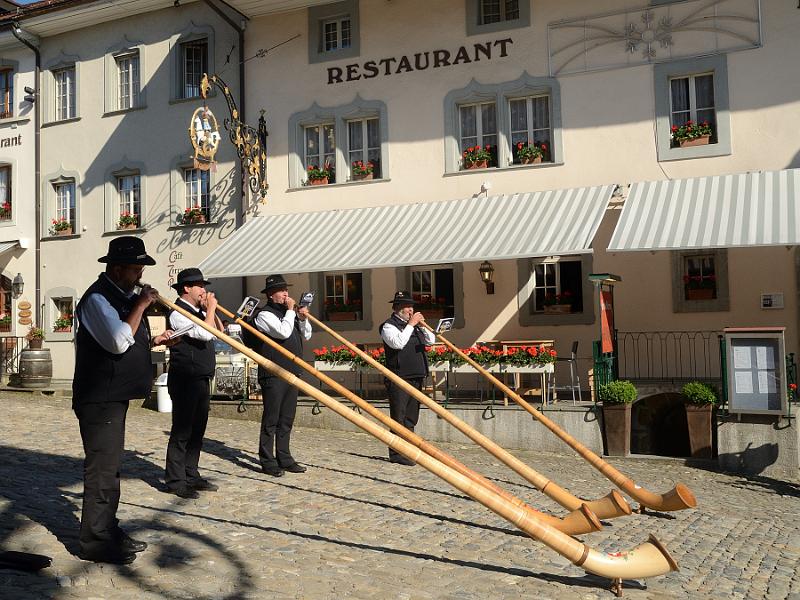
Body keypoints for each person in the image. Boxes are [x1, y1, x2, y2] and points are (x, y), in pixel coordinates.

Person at [72, 236, 173, 565]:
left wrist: (151, 337)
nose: (139, 275)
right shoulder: (97, 299)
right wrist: (142, 306)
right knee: (101, 470)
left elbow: (128, 336)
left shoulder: (120, 296)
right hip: (98, 396)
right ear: (115, 269)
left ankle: (107, 527)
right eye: (134, 269)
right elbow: (117, 342)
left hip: (113, 397)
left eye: (141, 268)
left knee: (111, 469)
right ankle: (94, 541)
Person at [164, 268, 221, 499]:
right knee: (182, 430)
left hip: (200, 377)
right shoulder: (178, 312)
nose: (203, 290)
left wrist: (211, 311)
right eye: (200, 286)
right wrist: (212, 310)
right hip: (185, 377)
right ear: (187, 288)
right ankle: (175, 480)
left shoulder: (198, 311)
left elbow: (218, 332)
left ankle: (191, 473)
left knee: (198, 430)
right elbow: (205, 334)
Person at [252, 274, 312, 477]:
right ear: (270, 294)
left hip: (292, 372)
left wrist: (302, 319)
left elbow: (306, 334)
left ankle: (284, 457)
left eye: (286, 290)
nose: (286, 294)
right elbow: (283, 333)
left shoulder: (290, 313)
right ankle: (267, 460)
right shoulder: (264, 315)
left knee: (287, 418)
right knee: (271, 419)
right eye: (281, 290)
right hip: (273, 373)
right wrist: (290, 312)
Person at [380, 291, 436, 466]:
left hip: (416, 374)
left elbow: (431, 341)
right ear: (397, 308)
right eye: (406, 306)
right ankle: (396, 453)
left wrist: (423, 325)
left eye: (412, 306)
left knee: (411, 416)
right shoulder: (388, 326)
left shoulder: (415, 326)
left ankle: (408, 449)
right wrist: (411, 325)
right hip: (398, 376)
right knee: (399, 416)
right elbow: (398, 343)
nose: (410, 309)